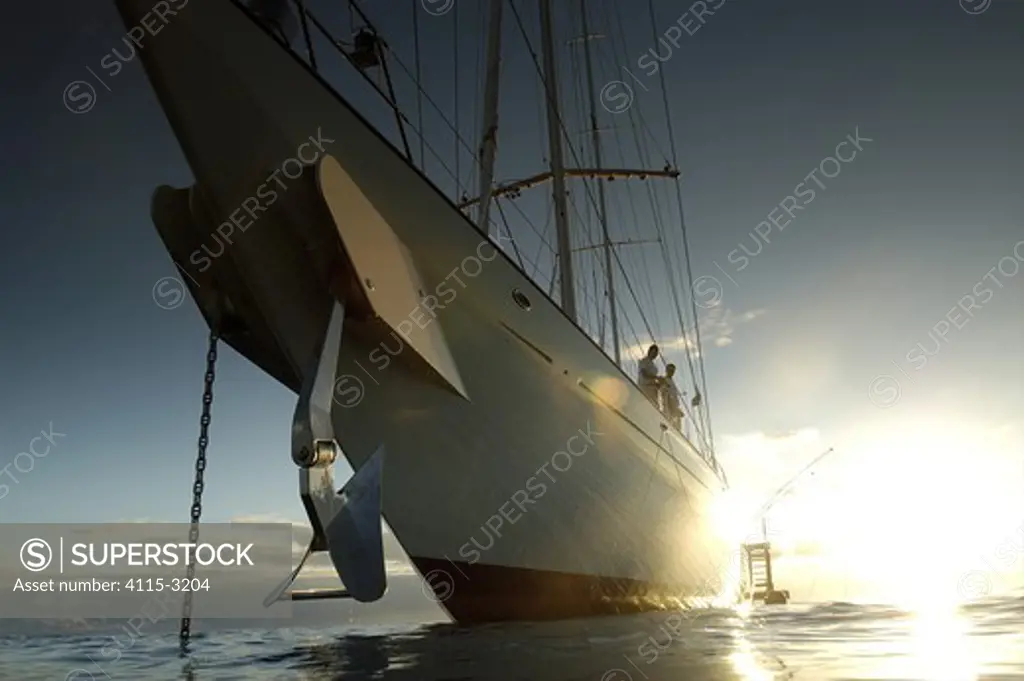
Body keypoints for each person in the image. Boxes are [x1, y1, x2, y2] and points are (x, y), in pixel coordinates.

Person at [660, 363, 684, 431]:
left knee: (677, 429)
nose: (671, 372)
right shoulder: (664, 380)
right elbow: (663, 393)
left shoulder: (672, 382)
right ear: (666, 370)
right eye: (670, 370)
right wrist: (673, 407)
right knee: (668, 422)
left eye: (673, 370)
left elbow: (674, 396)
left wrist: (677, 409)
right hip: (668, 406)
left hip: (675, 407)